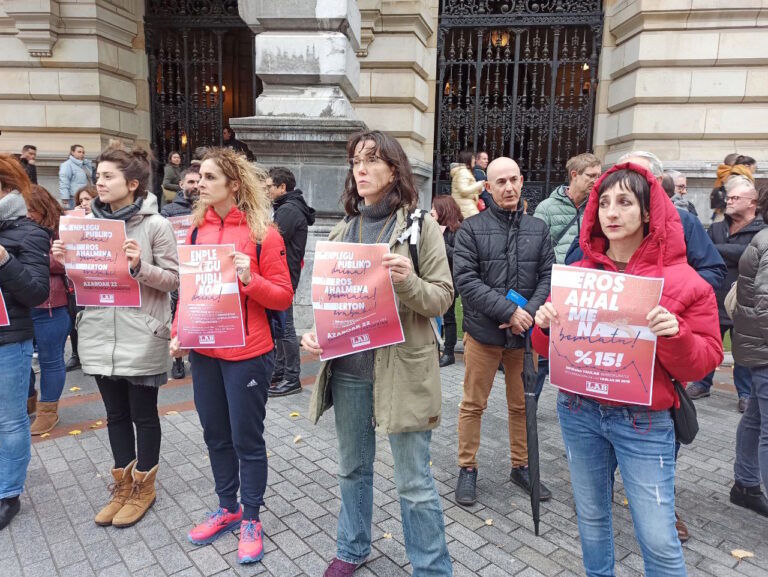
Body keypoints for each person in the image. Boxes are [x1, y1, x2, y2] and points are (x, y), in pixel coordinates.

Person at [533, 163, 723, 577]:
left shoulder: (685, 280)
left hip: (644, 422)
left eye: (624, 202)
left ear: (648, 211)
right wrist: (544, 326)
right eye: (603, 203)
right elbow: (550, 350)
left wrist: (675, 335)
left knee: (658, 537)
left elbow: (706, 358)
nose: (611, 213)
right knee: (592, 519)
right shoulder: (576, 276)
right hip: (579, 411)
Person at [302, 130, 454, 577]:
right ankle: (351, 548)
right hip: (349, 371)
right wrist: (317, 334)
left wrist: (407, 281)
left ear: (394, 168)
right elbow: (333, 302)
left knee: (414, 482)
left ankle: (431, 568)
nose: (361, 169)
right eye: (355, 161)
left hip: (401, 373)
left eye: (371, 160)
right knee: (352, 469)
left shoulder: (420, 226)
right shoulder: (342, 230)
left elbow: (442, 298)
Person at [169, 148, 293, 564]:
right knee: (215, 436)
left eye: (208, 176)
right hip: (205, 351)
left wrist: (248, 278)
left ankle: (252, 517)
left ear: (233, 185)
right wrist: (178, 333)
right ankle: (228, 507)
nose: (199, 182)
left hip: (248, 355)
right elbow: (188, 294)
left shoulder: (263, 233)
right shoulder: (193, 231)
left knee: (246, 440)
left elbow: (282, 297)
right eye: (199, 176)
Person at [53, 143, 179, 528]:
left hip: (141, 332)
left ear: (133, 183)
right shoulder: (84, 225)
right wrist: (66, 262)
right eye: (99, 175)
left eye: (108, 176)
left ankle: (145, 487)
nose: (99, 182)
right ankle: (122, 485)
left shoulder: (156, 225)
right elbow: (85, 281)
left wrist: (139, 265)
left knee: (143, 415)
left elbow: (174, 278)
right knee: (115, 415)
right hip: (98, 333)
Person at [452, 156, 555, 507]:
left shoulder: (538, 229)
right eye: (501, 182)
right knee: (472, 405)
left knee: (522, 405)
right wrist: (509, 310)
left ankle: (521, 466)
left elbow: (548, 275)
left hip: (524, 337)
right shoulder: (471, 228)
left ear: (522, 180)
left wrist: (524, 314)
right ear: (488, 187)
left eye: (514, 180)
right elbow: (466, 281)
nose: (508, 187)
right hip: (484, 334)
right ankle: (467, 468)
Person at [0, 154, 50, 530]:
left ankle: (8, 493)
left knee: (10, 420)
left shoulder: (29, 233)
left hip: (8, 342)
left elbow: (36, 291)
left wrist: (4, 260)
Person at [687, 175, 765, 412]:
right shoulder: (718, 227)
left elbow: (751, 256)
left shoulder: (761, 229)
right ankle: (702, 382)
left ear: (752, 202)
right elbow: (704, 255)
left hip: (744, 299)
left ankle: (745, 393)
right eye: (728, 197)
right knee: (707, 343)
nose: (728, 201)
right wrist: (735, 253)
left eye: (735, 198)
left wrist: (721, 250)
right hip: (714, 296)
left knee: (741, 348)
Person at [731, 186, 768, 517]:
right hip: (765, 348)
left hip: (758, 346)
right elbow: (766, 303)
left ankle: (745, 483)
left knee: (756, 417)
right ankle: (745, 483)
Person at [25, 185, 71, 435]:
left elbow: (69, 264)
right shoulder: (14, 226)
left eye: (31, 209)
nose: (27, 215)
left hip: (50, 305)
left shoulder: (62, 228)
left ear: (44, 207)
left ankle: (47, 411)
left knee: (50, 359)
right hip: (19, 305)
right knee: (20, 358)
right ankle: (28, 400)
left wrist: (31, 256)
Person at [266, 166, 316, 397]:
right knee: (280, 325)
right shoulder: (288, 207)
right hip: (283, 275)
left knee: (285, 327)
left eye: (269, 187)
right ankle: (280, 371)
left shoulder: (289, 210)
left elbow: (268, 242)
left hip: (283, 276)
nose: (266, 191)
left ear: (282, 187)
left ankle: (292, 377)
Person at [161, 168, 200, 379]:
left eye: (198, 182)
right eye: (191, 182)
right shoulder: (168, 211)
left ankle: (196, 354)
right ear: (182, 184)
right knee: (177, 313)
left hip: (200, 270)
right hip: (177, 270)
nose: (195, 186)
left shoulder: (207, 208)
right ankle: (177, 360)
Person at [430, 195, 463, 367]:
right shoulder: (433, 228)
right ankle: (440, 348)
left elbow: (458, 255)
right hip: (437, 277)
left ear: (444, 209)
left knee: (450, 317)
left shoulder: (457, 230)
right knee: (444, 315)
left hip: (454, 279)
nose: (431, 212)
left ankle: (449, 352)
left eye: (435, 208)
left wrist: (440, 240)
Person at [451, 150, 484, 219]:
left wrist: (478, 190)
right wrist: (479, 184)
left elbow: (465, 189)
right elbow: (463, 190)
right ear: (467, 159)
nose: (474, 160)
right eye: (473, 158)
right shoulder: (463, 172)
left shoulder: (464, 172)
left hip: (465, 207)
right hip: (466, 209)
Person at [58, 144, 92, 210]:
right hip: (73, 197)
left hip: (85, 195)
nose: (82, 154)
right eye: (79, 152)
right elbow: (64, 182)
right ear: (72, 152)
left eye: (83, 152)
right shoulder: (67, 165)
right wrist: (65, 197)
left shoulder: (85, 164)